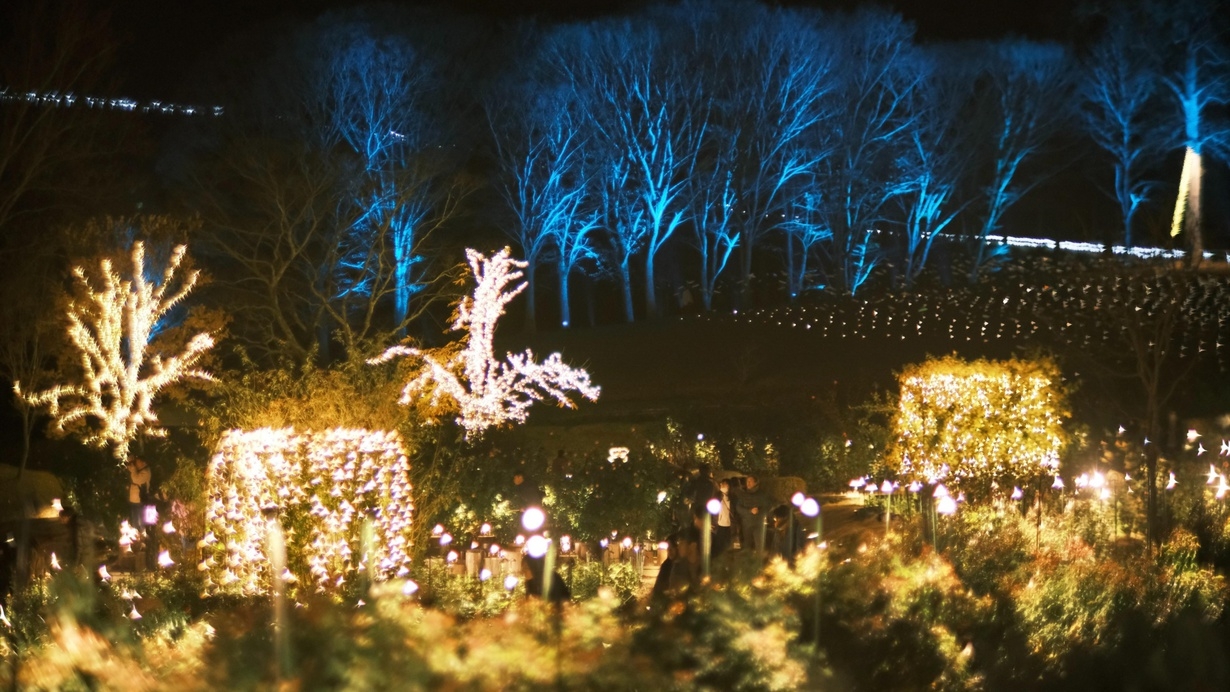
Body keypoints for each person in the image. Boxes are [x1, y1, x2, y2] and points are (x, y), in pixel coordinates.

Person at [735, 474, 772, 552]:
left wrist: (759, 511)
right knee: (747, 546)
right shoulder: (743, 494)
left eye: (750, 481)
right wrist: (749, 511)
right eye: (747, 481)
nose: (748, 483)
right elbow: (738, 508)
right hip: (746, 524)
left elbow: (768, 506)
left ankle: (758, 559)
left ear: (755, 483)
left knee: (759, 546)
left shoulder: (762, 494)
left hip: (758, 524)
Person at [713, 478, 734, 557]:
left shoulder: (732, 497)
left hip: (730, 524)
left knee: (728, 544)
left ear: (728, 485)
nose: (721, 485)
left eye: (723, 483)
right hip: (719, 524)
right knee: (719, 544)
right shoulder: (717, 496)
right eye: (721, 483)